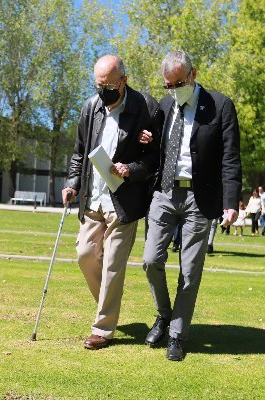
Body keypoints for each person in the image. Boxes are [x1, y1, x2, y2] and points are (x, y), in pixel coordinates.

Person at [141, 51, 242, 361]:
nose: (173, 89)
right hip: (165, 192)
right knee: (150, 260)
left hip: (200, 197)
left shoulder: (220, 105)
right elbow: (160, 146)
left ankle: (177, 334)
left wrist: (230, 201)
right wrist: (147, 139)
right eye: (168, 84)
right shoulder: (166, 104)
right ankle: (163, 314)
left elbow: (230, 157)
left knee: (190, 270)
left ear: (194, 73)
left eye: (179, 83)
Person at [62, 55, 162, 350]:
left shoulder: (146, 107)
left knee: (113, 266)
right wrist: (71, 183)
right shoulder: (90, 107)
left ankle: (103, 329)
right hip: (93, 197)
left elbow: (155, 158)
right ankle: (109, 305)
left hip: (124, 200)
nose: (102, 91)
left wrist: (130, 169)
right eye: (98, 85)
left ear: (124, 81)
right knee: (85, 254)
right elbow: (80, 152)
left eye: (107, 85)